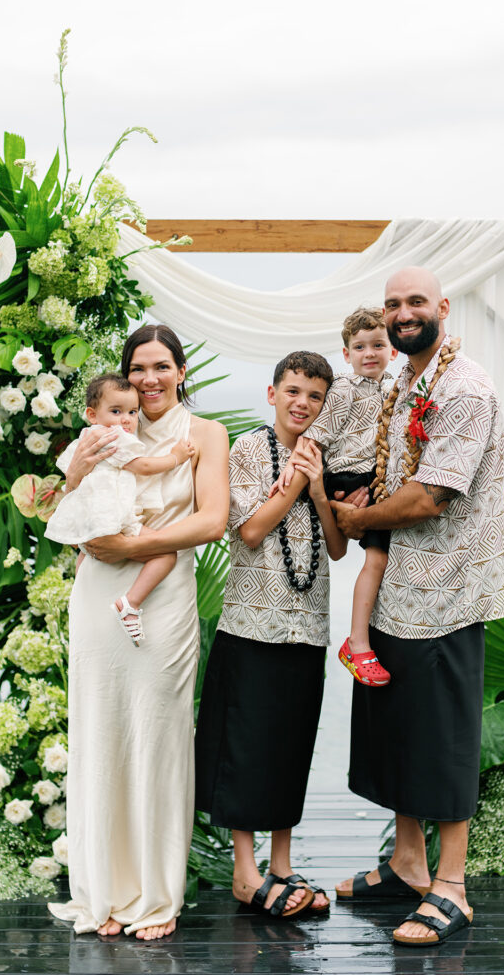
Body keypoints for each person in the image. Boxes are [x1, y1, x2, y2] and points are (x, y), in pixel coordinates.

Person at [331, 267, 504, 947]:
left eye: (415, 303)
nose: (403, 313)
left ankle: (452, 886)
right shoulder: (407, 378)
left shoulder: (465, 387)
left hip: (449, 589)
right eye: (393, 304)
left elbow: (433, 495)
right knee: (401, 730)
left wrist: (356, 521)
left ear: (441, 308)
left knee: (443, 739)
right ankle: (409, 866)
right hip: (399, 586)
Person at [48, 324, 229, 941]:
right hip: (98, 592)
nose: (149, 379)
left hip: (163, 595)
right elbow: (68, 509)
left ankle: (157, 896)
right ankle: (103, 891)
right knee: (99, 732)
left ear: (181, 371)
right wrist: (86, 507)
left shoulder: (204, 435)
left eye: (161, 367)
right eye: (138, 368)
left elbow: (213, 520)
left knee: (157, 737)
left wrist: (132, 546)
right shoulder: (106, 430)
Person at [195, 351, 347, 919]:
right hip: (252, 625)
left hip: (307, 627)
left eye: (313, 395)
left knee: (290, 745)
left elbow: (335, 546)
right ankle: (245, 872)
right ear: (272, 393)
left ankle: (282, 866)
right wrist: (292, 487)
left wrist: (315, 490)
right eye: (293, 391)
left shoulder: (322, 458)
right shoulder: (249, 449)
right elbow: (252, 529)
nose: (301, 403)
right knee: (247, 747)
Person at [272, 307, 396, 687]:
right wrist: (289, 471)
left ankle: (363, 637)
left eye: (378, 344)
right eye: (360, 347)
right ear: (347, 354)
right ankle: (357, 642)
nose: (369, 353)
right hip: (344, 473)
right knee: (376, 556)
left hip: (374, 477)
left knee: (369, 552)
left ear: (393, 349)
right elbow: (316, 435)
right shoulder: (344, 387)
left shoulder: (396, 388)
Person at [44, 372, 195, 646]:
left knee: (85, 556)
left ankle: (81, 600)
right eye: (116, 411)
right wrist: (176, 457)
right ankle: (130, 604)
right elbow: (144, 467)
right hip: (114, 517)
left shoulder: (86, 438)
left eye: (132, 411)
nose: (126, 419)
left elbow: (71, 476)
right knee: (166, 555)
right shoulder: (115, 438)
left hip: (92, 517)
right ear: (92, 413)